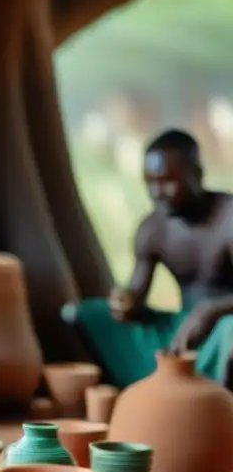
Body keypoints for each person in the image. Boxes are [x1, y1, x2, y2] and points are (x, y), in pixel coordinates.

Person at [62, 128, 233, 388]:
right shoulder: (153, 228)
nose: (157, 192)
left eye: (168, 181)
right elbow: (136, 293)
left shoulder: (228, 219)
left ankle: (218, 406)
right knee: (82, 314)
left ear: (197, 174)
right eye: (150, 182)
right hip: (180, 329)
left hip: (224, 328)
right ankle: (132, 393)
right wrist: (125, 301)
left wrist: (211, 310)